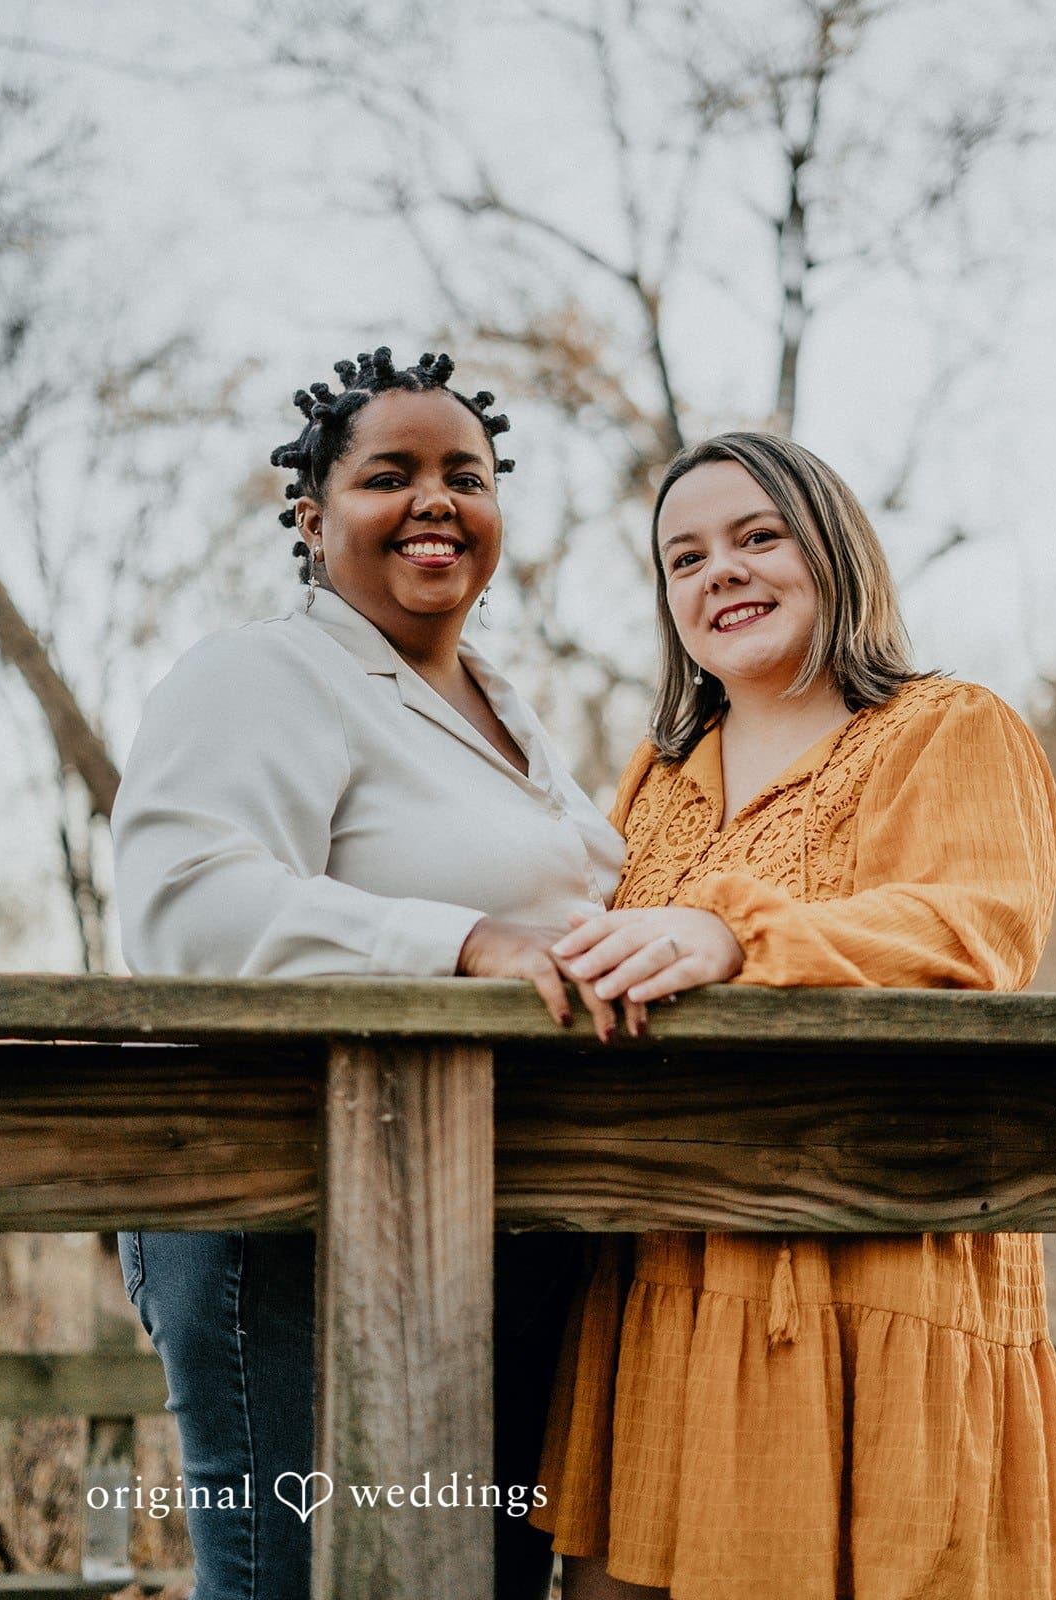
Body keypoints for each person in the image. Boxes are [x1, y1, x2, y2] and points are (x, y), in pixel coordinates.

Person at [110, 347, 644, 1600]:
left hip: (497, 1211)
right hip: (291, 1212)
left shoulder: (507, 718)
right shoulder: (261, 673)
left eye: (467, 473)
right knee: (297, 1581)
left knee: (484, 1581)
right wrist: (460, 942)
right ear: (310, 517)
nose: (435, 499)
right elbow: (188, 904)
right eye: (387, 474)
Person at [529, 432, 1056, 1600]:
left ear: (833, 552)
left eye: (754, 536)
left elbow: (973, 929)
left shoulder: (947, 725)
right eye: (682, 557)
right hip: (658, 1279)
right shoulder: (657, 778)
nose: (716, 571)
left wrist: (731, 931)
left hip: (877, 1279)